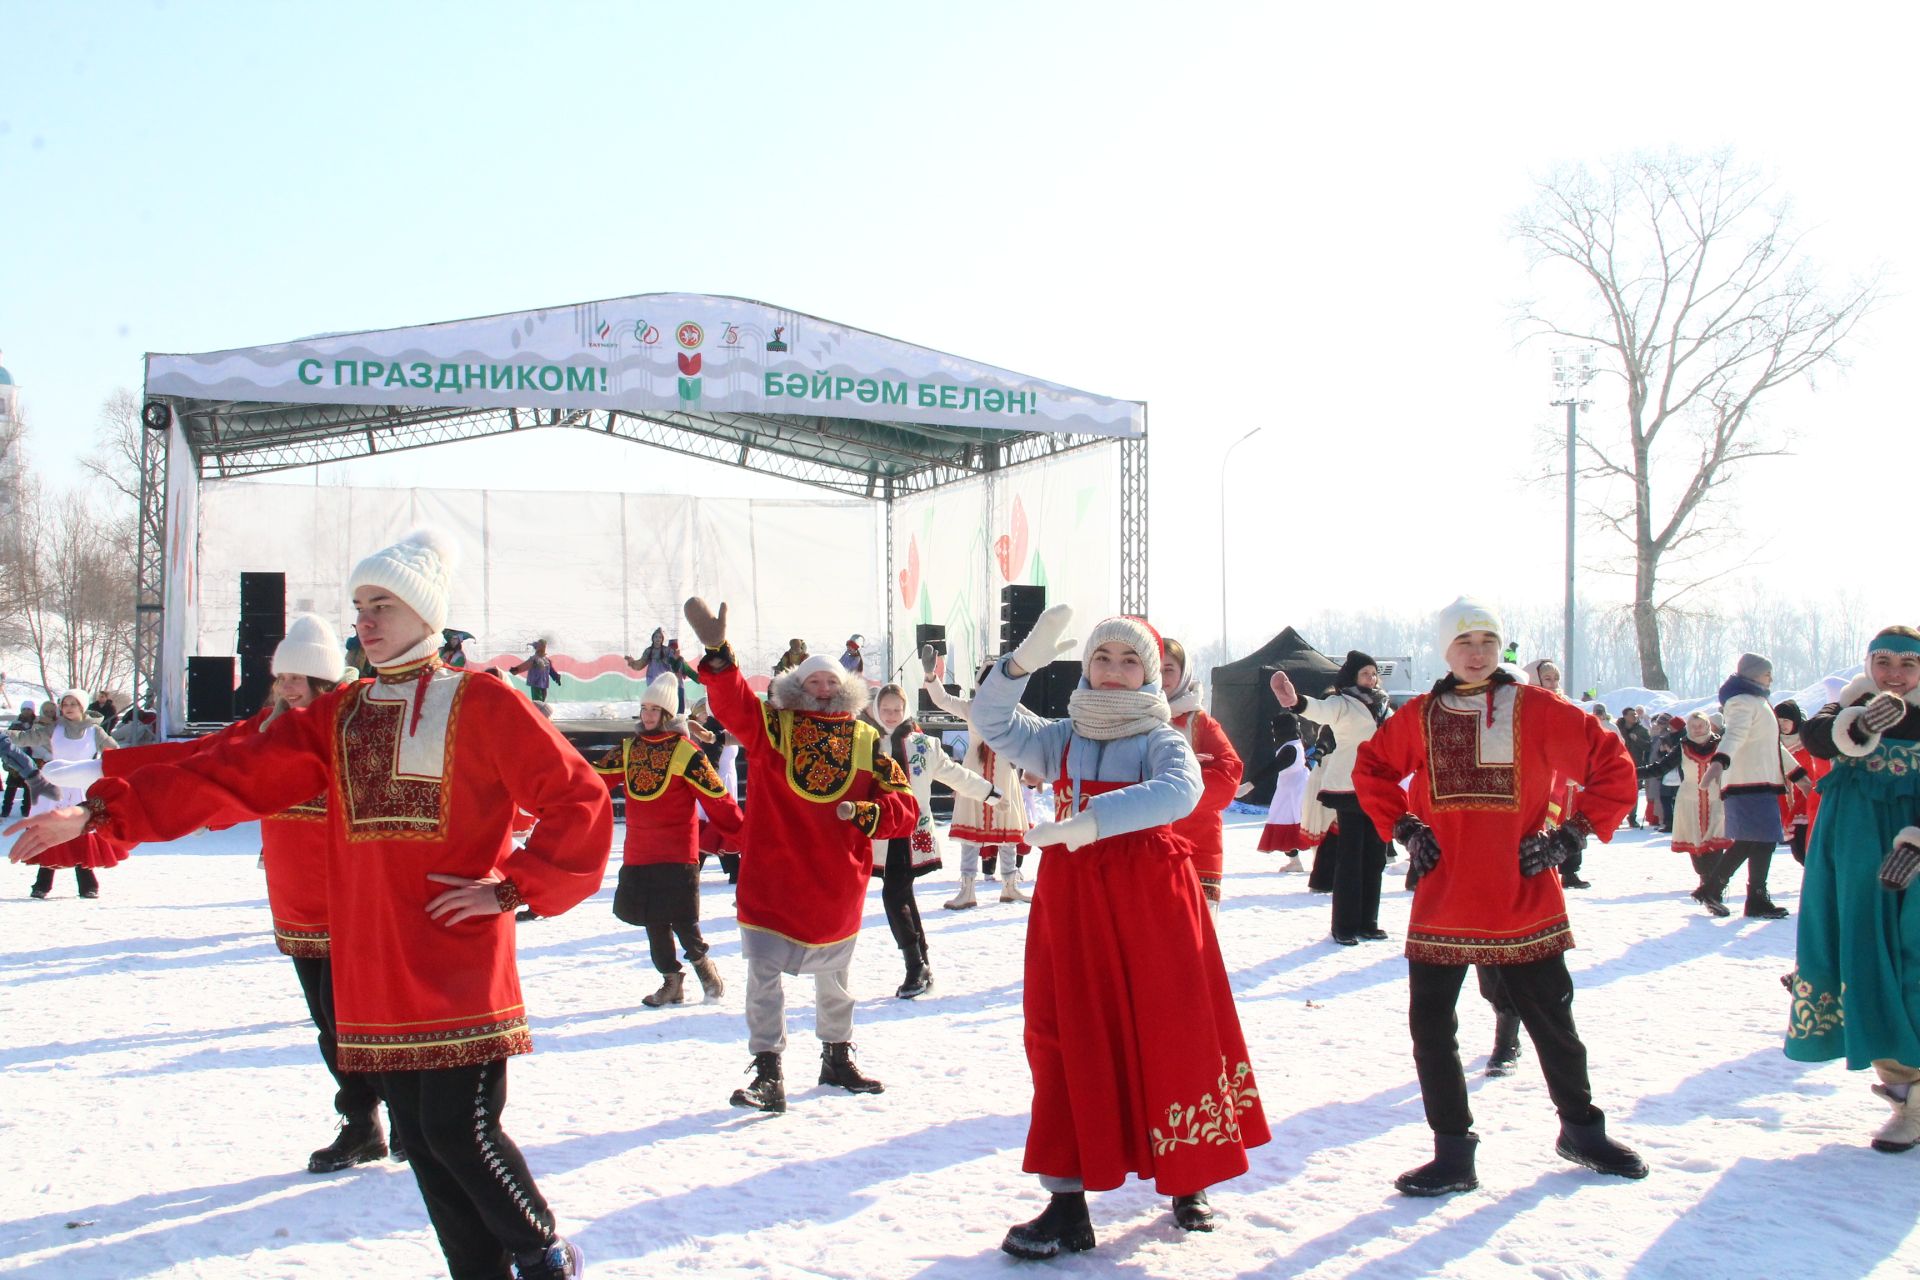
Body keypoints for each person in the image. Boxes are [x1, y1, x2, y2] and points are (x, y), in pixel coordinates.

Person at [9, 528, 610, 1280]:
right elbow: (224, 773)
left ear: (426, 612)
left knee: (463, 1129)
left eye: (383, 604)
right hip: (373, 962)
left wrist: (517, 885)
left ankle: (544, 1255)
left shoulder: (481, 700)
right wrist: (99, 816)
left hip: (455, 954)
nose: (366, 619)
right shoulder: (341, 715)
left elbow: (578, 798)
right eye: (360, 605)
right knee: (420, 1139)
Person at [973, 607, 1269, 1257]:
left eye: (1129, 660)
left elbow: (1180, 792)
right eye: (1101, 658)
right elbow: (991, 723)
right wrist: (1018, 666)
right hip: (1073, 902)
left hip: (1150, 901)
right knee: (1062, 1033)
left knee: (1171, 1031)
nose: (1112, 670)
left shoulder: (1162, 736)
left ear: (1151, 674)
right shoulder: (1064, 737)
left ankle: (1188, 1177)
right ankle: (1067, 1203)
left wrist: (1091, 821)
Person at [1352, 596, 1645, 1197]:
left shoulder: (1539, 710)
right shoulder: (1421, 717)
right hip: (1445, 897)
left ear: (1500, 647)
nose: (1477, 653)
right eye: (1463, 644)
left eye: (1487, 641)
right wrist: (1406, 828)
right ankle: (1452, 1152)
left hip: (1523, 894)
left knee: (1553, 1022)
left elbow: (1613, 765)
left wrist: (1569, 835)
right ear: (1446, 651)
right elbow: (1372, 769)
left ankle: (1582, 1131)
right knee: (1432, 1030)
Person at [682, 597, 918, 1114]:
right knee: (763, 979)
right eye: (813, 681)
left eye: (831, 682)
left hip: (837, 882)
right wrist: (718, 653)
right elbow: (733, 705)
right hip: (774, 877)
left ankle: (836, 1056)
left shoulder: (869, 739)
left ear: (847, 689)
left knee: (837, 982)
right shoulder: (774, 728)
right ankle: (768, 1070)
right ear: (796, 687)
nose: (823, 687)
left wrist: (867, 813)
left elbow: (904, 808)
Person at [1787, 626, 1920, 1153]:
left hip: (1909, 850)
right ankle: (1906, 1098)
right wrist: (1858, 721)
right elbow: (1817, 738)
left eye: (1907, 665)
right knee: (1865, 958)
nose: (1893, 674)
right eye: (1882, 662)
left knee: (1911, 961)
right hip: (1852, 853)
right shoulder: (1845, 704)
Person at [598, 673, 740, 1009]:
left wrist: (746, 837)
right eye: (644, 708)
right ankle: (671, 981)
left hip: (677, 852)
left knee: (683, 922)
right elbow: (593, 779)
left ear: (667, 713)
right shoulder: (629, 749)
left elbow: (718, 800)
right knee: (653, 922)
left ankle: (705, 970)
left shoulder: (686, 752)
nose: (647, 715)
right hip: (639, 852)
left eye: (654, 709)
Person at [866, 680, 994, 998]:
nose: (892, 714)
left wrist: (988, 792)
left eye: (897, 709)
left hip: (911, 833)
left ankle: (915, 966)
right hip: (883, 831)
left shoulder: (923, 744)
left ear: (905, 708)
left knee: (894, 896)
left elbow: (954, 773)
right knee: (902, 896)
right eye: (886, 709)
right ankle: (920, 960)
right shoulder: (867, 742)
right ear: (877, 710)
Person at [1271, 650, 1391, 944]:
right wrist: (1295, 701)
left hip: (1378, 787)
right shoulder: (1343, 703)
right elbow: (1318, 710)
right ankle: (1344, 926)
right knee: (1351, 858)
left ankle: (1368, 921)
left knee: (1375, 858)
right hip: (1348, 787)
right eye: (1365, 673)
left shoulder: (1383, 706)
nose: (1371, 678)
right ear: (1352, 677)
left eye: (1374, 673)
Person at [922, 660, 1036, 907]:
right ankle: (968, 889)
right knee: (971, 831)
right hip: (974, 774)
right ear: (980, 684)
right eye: (988, 681)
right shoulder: (971, 708)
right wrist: (931, 676)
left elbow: (1039, 726)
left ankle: (1010, 886)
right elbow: (943, 700)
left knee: (1007, 831)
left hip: (1005, 773)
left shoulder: (1013, 709)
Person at [1699, 653, 1804, 920]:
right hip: (1748, 782)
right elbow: (1734, 734)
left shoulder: (1759, 702)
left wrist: (1799, 774)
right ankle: (1714, 888)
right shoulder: (1741, 701)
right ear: (1753, 674)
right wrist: (1719, 762)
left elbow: (1773, 746)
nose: (1770, 677)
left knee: (1764, 839)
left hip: (1762, 781)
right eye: (1766, 673)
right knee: (1750, 839)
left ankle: (1753, 895)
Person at [1159, 638, 1243, 912]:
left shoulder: (1200, 722)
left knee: (1195, 939)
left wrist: (1179, 778)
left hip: (1196, 844)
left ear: (1184, 672)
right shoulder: (1130, 720)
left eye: (1168, 669)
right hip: (1143, 846)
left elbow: (1229, 775)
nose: (1161, 677)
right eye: (1154, 668)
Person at [14, 689, 122, 899]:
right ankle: (43, 883)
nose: (69, 708)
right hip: (57, 786)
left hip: (82, 788)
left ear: (82, 706)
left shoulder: (94, 731)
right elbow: (27, 737)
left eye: (73, 704)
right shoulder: (55, 728)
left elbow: (115, 751)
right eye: (65, 704)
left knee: (80, 830)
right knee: (51, 830)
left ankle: (88, 883)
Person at [1639, 712, 1736, 915]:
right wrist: (1632, 771)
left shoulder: (1722, 746)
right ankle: (1706, 883)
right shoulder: (1683, 747)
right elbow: (1660, 768)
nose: (1698, 729)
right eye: (1694, 726)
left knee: (1716, 844)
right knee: (1697, 848)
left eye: (1701, 725)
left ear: (1709, 726)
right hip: (1689, 802)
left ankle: (1713, 892)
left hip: (1717, 800)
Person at [1241, 711, 1316, 873]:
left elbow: (1273, 767)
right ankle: (1296, 861)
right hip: (1290, 789)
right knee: (1290, 822)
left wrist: (1249, 785)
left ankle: (1310, 861)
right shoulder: (1295, 743)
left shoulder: (1290, 748)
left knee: (1294, 823)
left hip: (1294, 791)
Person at [1776, 700, 1829, 866]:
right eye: (1778, 722)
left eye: (1786, 721)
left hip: (1807, 800)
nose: (1782, 725)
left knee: (1804, 849)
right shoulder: (1773, 745)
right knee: (1798, 852)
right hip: (1785, 803)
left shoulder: (1807, 742)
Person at [1618, 707, 1651, 829]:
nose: (1635, 716)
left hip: (1636, 765)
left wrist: (1638, 740)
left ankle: (1632, 817)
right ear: (1625, 716)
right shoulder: (1619, 729)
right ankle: (1618, 817)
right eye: (1632, 714)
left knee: (1633, 792)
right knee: (1619, 792)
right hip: (1620, 764)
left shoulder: (1641, 730)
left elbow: (1648, 747)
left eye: (1636, 714)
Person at [510, 638, 563, 704]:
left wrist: (556, 677)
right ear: (537, 647)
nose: (543, 648)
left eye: (544, 646)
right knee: (537, 702)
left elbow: (551, 671)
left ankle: (540, 712)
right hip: (536, 683)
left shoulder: (546, 660)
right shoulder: (534, 659)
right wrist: (516, 669)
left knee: (542, 702)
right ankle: (538, 711)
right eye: (541, 646)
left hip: (544, 684)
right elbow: (525, 665)